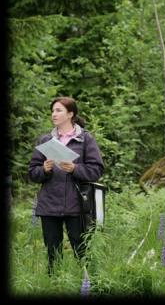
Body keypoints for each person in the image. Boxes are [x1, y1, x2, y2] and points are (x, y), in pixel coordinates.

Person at [28, 97, 104, 275]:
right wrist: (44, 170)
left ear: (71, 114)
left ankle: (86, 284)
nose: (54, 114)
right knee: (52, 255)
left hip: (77, 205)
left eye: (59, 110)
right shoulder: (44, 141)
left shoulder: (85, 139)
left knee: (82, 252)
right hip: (49, 205)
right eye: (53, 110)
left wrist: (75, 168)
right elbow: (32, 173)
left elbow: (97, 170)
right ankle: (54, 284)